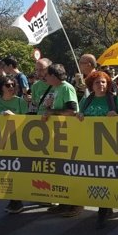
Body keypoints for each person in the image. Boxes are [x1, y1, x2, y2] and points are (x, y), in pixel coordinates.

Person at [77, 70, 118, 229]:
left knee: (105, 177)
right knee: (96, 178)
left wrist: (117, 116)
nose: (101, 85)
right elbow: (78, 117)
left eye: (104, 82)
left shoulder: (114, 100)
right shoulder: (86, 101)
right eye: (97, 82)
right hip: (90, 147)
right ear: (91, 85)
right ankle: (106, 206)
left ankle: (102, 211)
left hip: (110, 147)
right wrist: (78, 115)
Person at [42, 63, 81, 217]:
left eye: (47, 75)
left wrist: (52, 112)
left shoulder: (66, 88)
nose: (45, 78)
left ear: (53, 76)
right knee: (61, 169)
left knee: (70, 169)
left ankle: (76, 204)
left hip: (69, 134)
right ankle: (64, 202)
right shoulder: (56, 89)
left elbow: (72, 111)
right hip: (59, 134)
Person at [0, 75, 29, 214]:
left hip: (17, 143)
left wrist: (14, 117)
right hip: (1, 143)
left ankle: (17, 201)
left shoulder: (20, 102)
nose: (12, 87)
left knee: (15, 171)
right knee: (4, 172)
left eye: (13, 85)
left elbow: (28, 123)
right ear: (0, 88)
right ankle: (11, 198)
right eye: (8, 85)